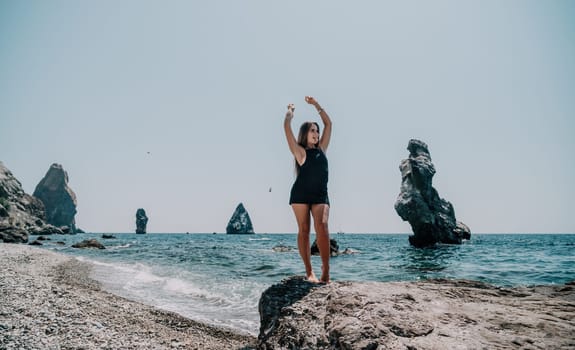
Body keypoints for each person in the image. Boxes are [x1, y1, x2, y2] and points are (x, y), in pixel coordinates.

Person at [283, 96, 332, 284]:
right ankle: (309, 271)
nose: (316, 133)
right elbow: (287, 128)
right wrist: (290, 112)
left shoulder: (322, 149)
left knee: (323, 226)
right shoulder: (300, 152)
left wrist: (316, 105)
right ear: (305, 133)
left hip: (320, 195)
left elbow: (329, 124)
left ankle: (326, 270)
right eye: (312, 130)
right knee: (304, 230)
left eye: (317, 131)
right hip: (300, 195)